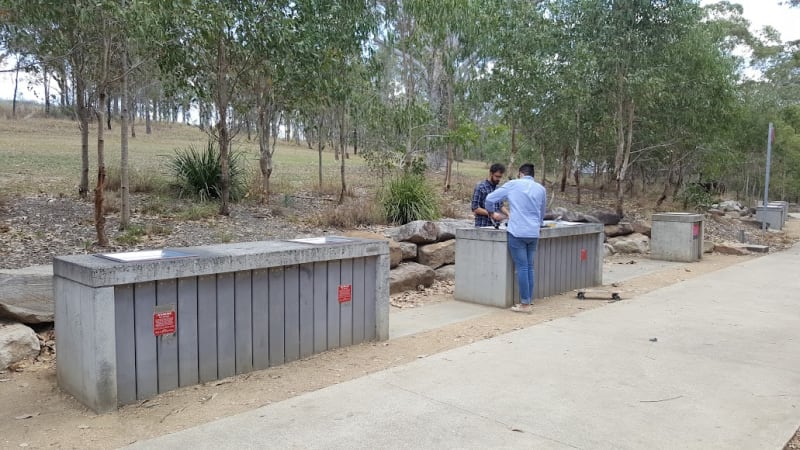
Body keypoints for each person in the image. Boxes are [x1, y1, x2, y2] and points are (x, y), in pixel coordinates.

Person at [485, 163, 547, 313]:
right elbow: (542, 211)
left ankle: (525, 304)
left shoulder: (513, 184)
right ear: (533, 175)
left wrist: (491, 212)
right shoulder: (541, 189)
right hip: (533, 233)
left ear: (520, 173)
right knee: (530, 267)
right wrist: (537, 224)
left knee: (522, 267)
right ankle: (528, 301)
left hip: (517, 232)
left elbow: (490, 199)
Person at [471, 163, 509, 227]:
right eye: (497, 176)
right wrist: (492, 214)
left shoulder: (498, 189)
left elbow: (500, 205)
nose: (498, 179)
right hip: (483, 225)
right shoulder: (480, 187)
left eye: (500, 177)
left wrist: (508, 214)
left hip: (496, 226)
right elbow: (475, 208)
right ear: (491, 173)